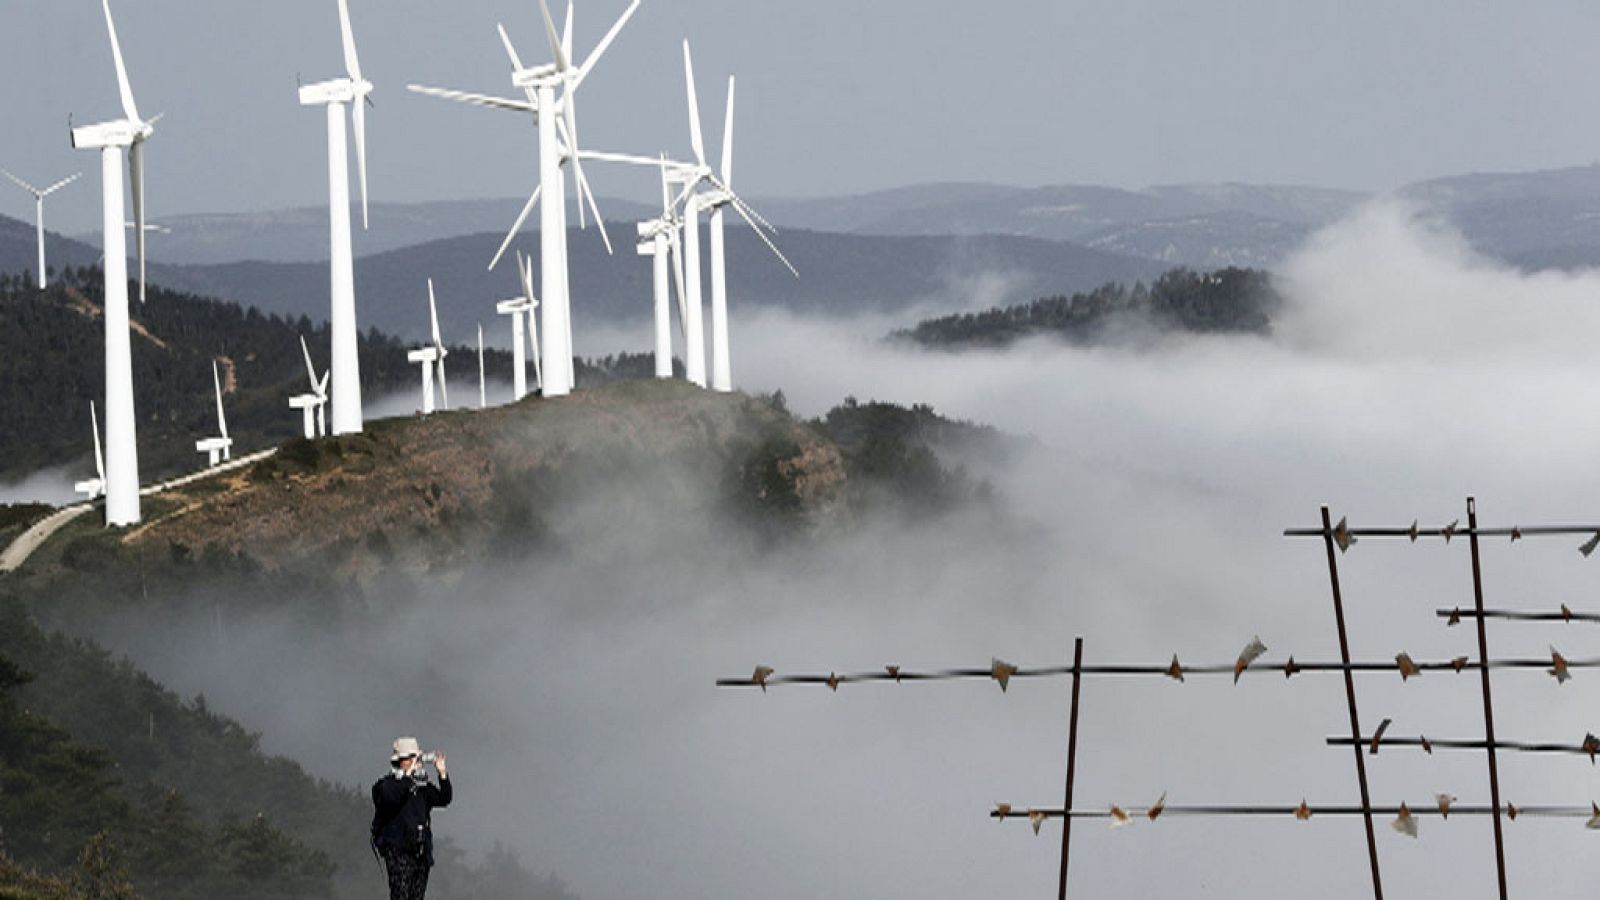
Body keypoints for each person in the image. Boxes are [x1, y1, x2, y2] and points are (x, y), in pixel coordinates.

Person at [371, 736, 452, 900]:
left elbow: (444, 798)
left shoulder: (421, 787)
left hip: (420, 852)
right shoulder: (385, 785)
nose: (416, 761)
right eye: (411, 758)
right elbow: (391, 798)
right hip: (398, 851)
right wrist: (408, 778)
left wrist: (442, 773)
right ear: (400, 761)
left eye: (417, 758)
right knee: (401, 895)